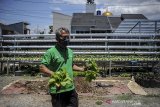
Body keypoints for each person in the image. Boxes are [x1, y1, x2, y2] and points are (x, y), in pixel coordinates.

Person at [39, 27, 85, 107]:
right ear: (57, 38)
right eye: (64, 37)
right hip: (58, 89)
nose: (67, 39)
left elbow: (71, 65)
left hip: (70, 87)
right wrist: (54, 74)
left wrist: (82, 69)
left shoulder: (70, 51)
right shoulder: (51, 52)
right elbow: (42, 67)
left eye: (68, 37)